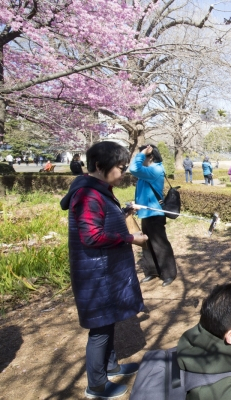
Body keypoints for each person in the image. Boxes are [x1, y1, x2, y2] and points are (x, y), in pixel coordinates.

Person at [60, 141, 148, 400]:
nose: (123, 173)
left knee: (107, 322)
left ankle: (111, 367)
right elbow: (91, 236)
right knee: (99, 329)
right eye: (120, 168)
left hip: (104, 269)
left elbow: (100, 223)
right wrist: (133, 239)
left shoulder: (99, 190)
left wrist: (124, 212)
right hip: (94, 274)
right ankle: (96, 386)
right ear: (99, 166)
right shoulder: (87, 194)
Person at [129, 144, 178, 286]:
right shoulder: (147, 171)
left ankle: (169, 274)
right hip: (145, 212)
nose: (140, 158)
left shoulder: (155, 169)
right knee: (147, 243)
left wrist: (142, 153)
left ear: (150, 156)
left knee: (160, 244)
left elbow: (133, 168)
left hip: (155, 213)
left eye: (143, 156)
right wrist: (136, 204)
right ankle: (152, 271)